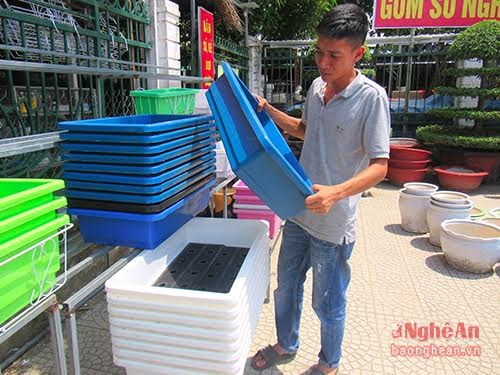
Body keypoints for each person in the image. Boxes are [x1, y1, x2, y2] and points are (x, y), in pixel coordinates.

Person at [250, 4, 390, 375]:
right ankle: (286, 343)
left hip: (333, 222)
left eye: (334, 56)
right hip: (299, 210)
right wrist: (269, 112)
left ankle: (329, 364)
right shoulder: (316, 88)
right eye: (318, 52)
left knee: (327, 302)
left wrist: (336, 192)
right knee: (285, 288)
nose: (323, 63)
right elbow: (306, 129)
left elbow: (381, 166)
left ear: (358, 53)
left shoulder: (371, 98)